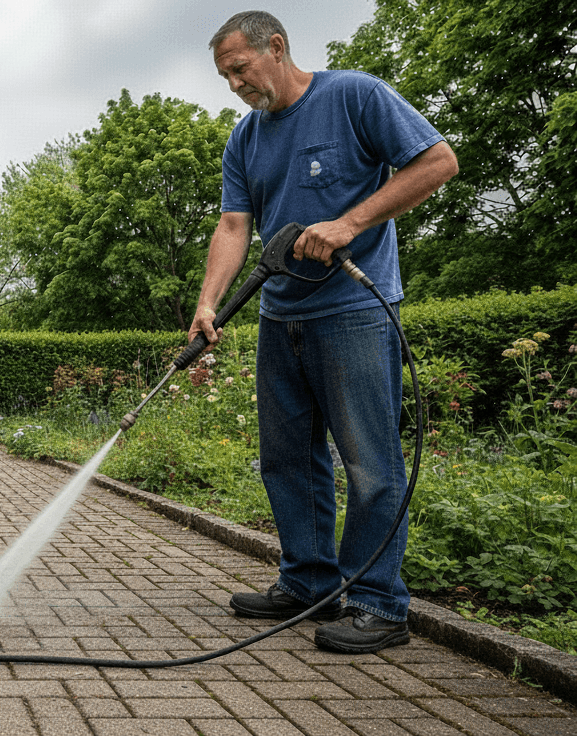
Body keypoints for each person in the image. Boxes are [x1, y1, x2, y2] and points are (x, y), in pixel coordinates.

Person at [191, 10, 458, 654]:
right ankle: (309, 582)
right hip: (281, 319)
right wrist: (207, 303)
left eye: (239, 69)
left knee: (370, 462)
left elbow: (438, 162)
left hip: (355, 314)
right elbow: (234, 227)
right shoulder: (245, 138)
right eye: (225, 76)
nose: (233, 85)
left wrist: (349, 223)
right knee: (287, 460)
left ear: (275, 48)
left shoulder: (354, 96)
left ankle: (379, 603)